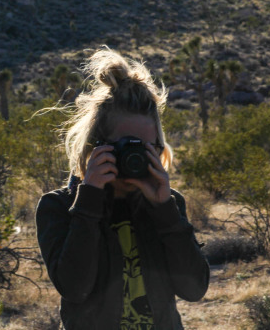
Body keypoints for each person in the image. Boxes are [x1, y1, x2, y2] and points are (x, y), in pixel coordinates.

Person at [35, 47, 210, 330]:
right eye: (127, 145)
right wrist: (89, 200)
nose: (136, 156)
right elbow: (74, 288)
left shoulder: (168, 204)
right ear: (98, 145)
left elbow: (194, 289)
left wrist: (165, 211)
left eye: (147, 147)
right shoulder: (58, 207)